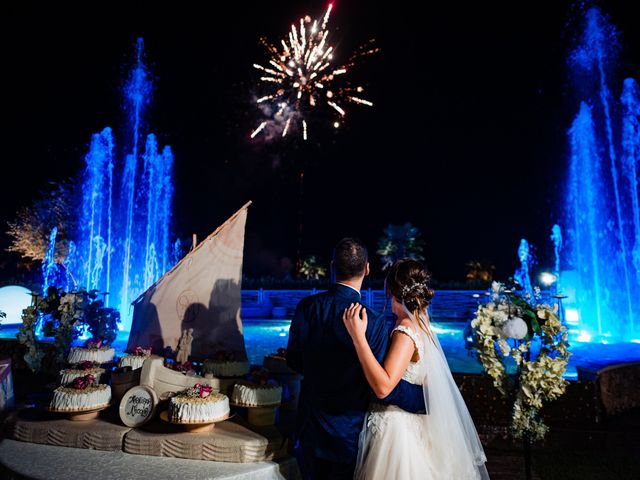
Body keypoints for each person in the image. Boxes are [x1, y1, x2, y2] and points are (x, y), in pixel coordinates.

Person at [286, 239, 426, 479]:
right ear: (367, 269)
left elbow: (294, 361)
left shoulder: (306, 307)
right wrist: (424, 400)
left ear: (332, 267)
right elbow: (382, 387)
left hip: (309, 429)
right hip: (349, 435)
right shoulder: (372, 320)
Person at [343, 258, 490, 479]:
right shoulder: (423, 327)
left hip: (397, 431)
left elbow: (384, 387)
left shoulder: (405, 331)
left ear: (390, 289)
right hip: (414, 423)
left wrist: (358, 339)